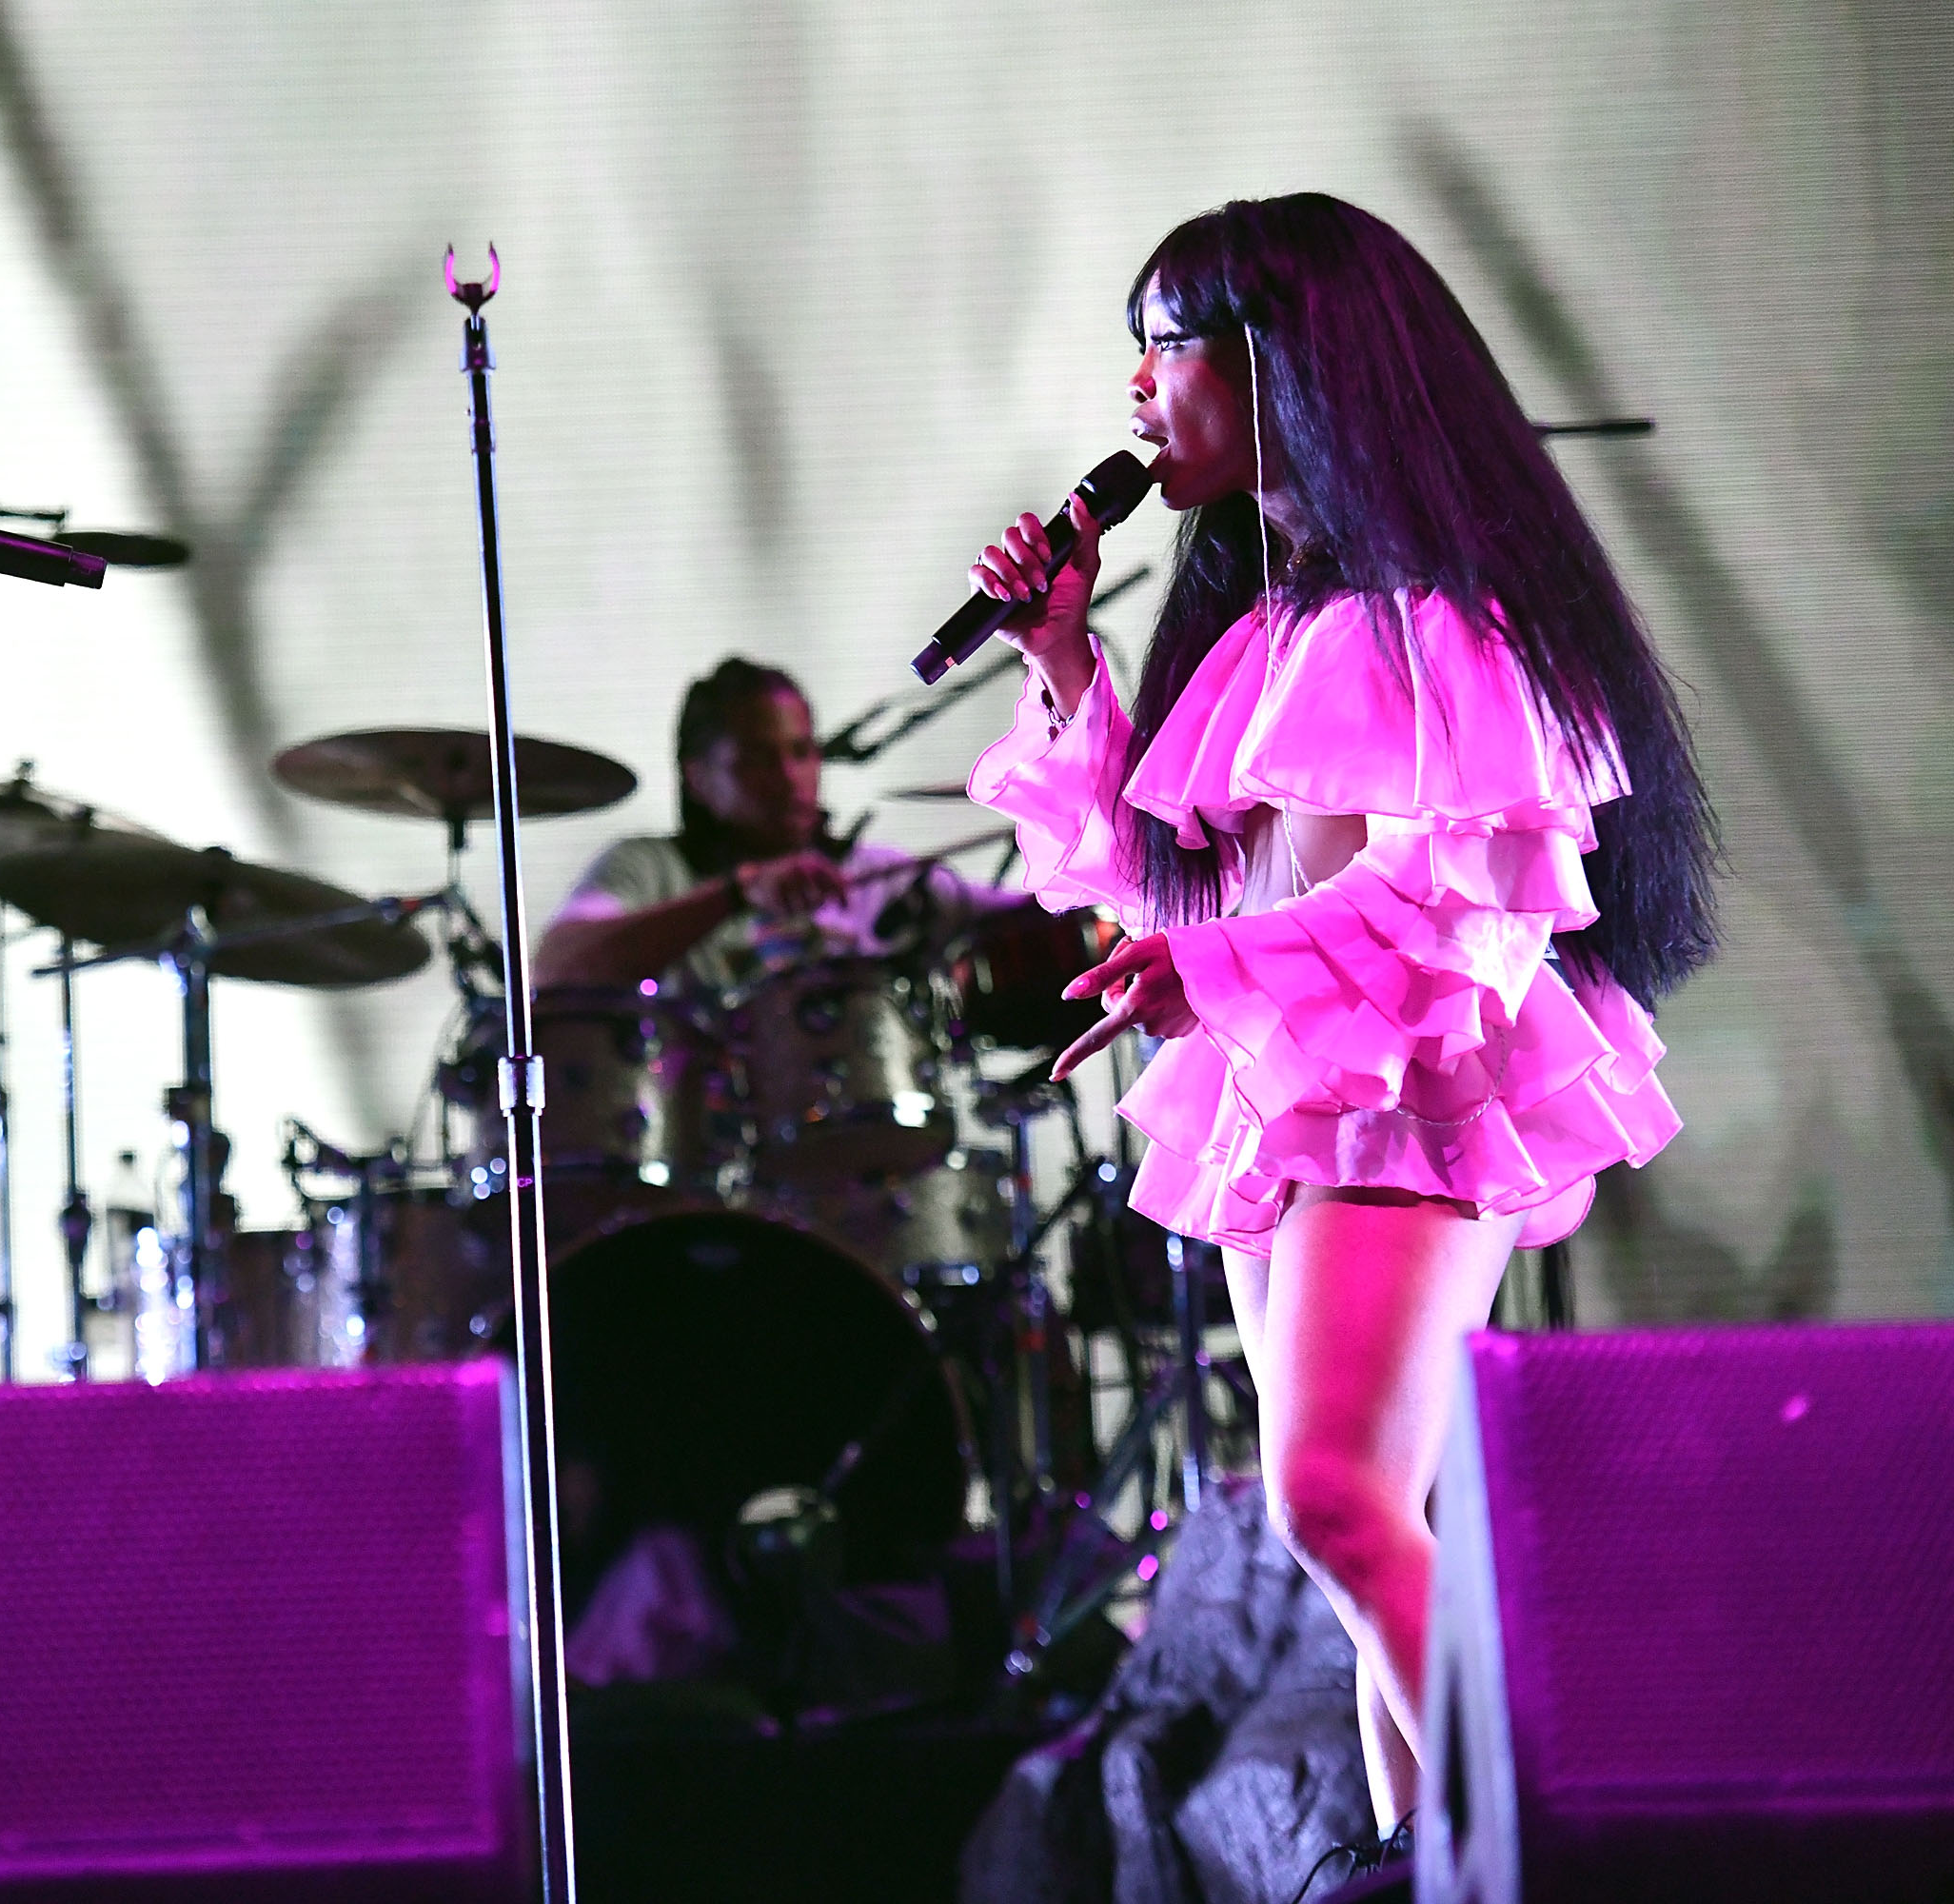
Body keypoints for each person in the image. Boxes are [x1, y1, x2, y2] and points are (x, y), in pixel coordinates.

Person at [964, 194, 1718, 1835]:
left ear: (1280, 361)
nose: (1141, 389)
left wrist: (1207, 974)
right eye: (1138, 351)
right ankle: (1420, 1862)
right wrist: (1063, 657)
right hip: (1280, 1101)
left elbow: (1453, 918)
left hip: (1412, 1097)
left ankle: (1541, 1845)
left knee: (1339, 1503)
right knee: (1369, 1522)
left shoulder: (1437, 628)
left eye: (1170, 345)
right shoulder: (1260, 629)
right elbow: (1162, 879)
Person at [535, 656, 1020, 991]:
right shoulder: (648, 868)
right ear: (697, 777)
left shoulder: (883, 877)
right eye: (758, 759)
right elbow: (555, 966)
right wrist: (738, 891)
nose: (791, 778)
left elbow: (1032, 918)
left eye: (802, 751)